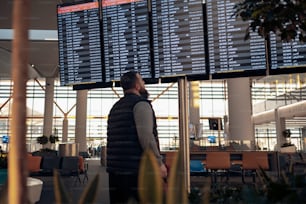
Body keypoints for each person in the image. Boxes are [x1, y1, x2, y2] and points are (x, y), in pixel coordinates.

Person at [106, 71, 168, 204]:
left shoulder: (115, 108)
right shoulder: (140, 104)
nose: (144, 83)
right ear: (137, 86)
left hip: (115, 173)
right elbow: (146, 137)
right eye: (142, 81)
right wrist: (158, 163)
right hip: (136, 172)